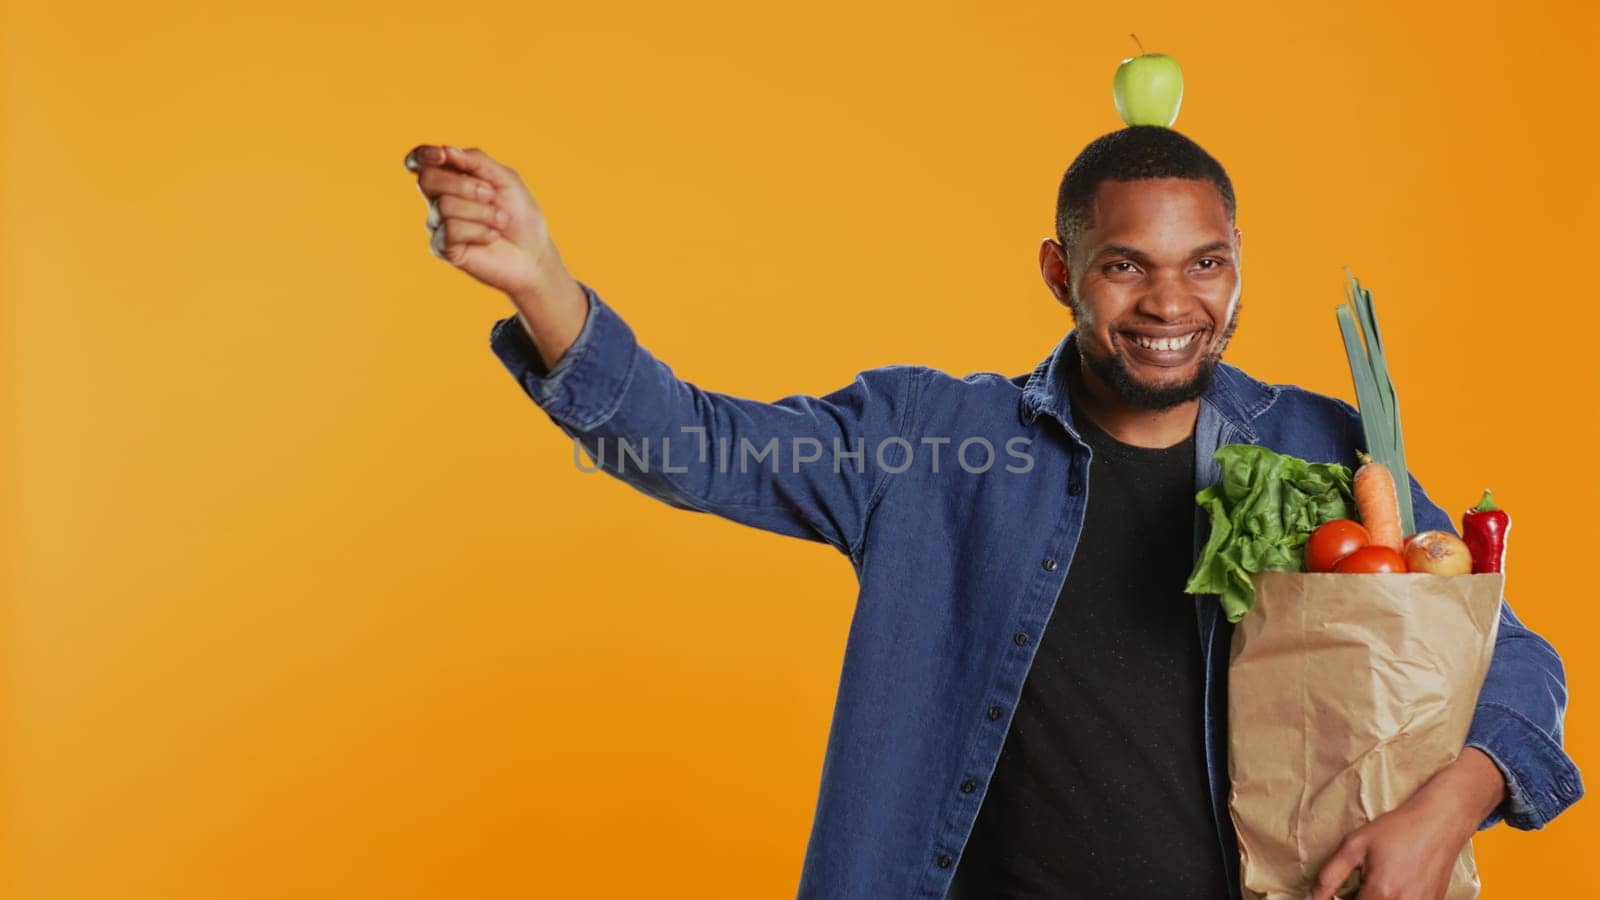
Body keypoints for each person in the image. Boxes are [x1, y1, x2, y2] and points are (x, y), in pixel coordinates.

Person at [401, 127, 1581, 899]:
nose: (1171, 302)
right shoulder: (928, 442)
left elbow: (1512, 660)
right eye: (1124, 266)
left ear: (1236, 268)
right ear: (1060, 274)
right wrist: (544, 287)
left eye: (1205, 263)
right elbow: (693, 445)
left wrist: (1445, 809)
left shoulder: (1325, 449)